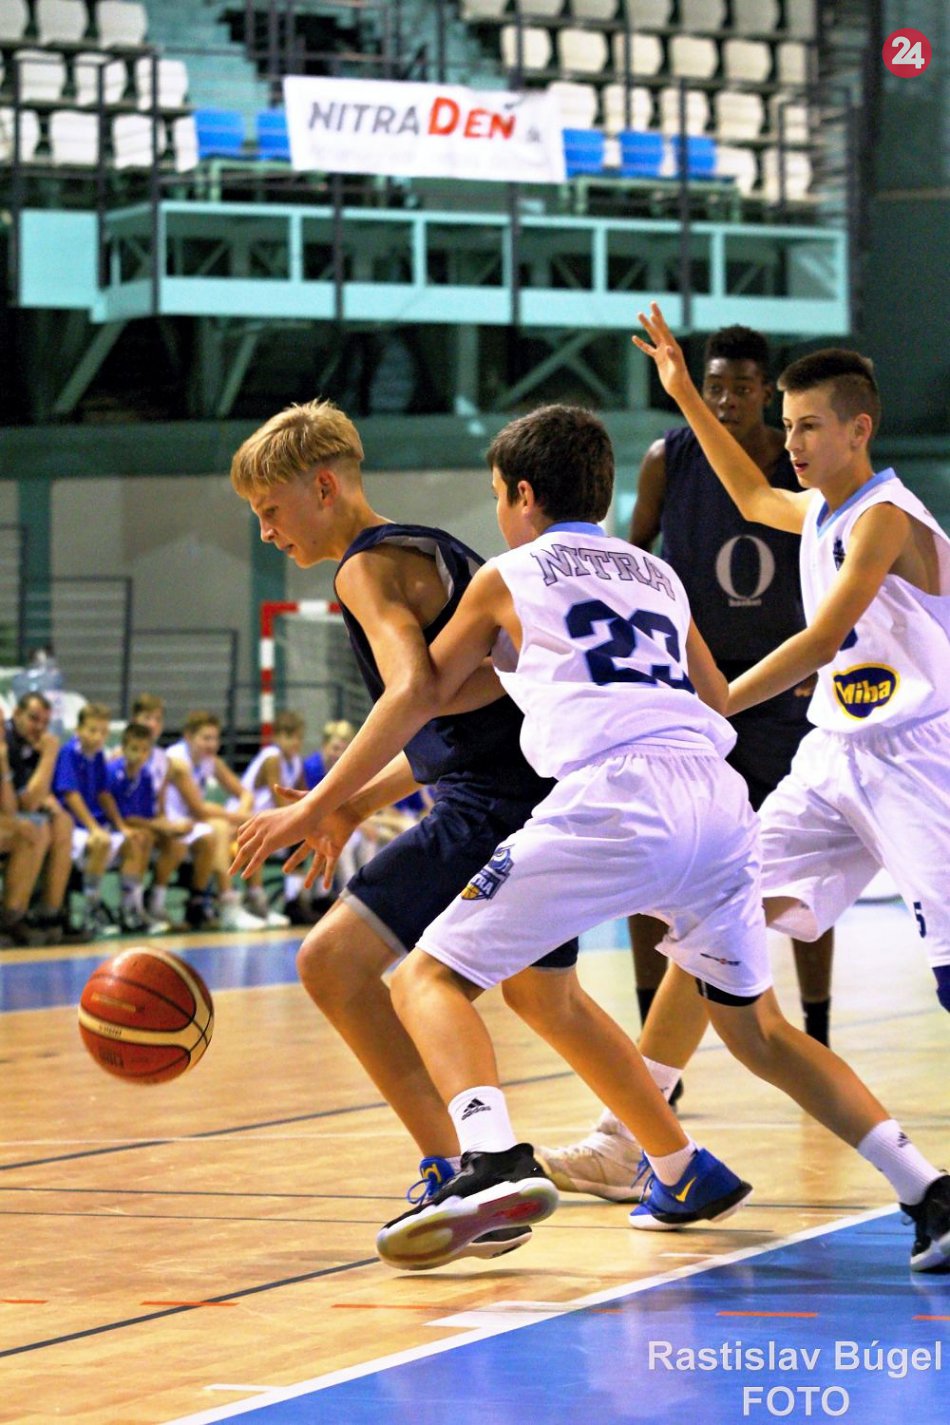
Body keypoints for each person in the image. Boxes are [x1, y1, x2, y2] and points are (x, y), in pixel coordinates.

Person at [232, 401, 950, 1274]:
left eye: (497, 495)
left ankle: (487, 1161)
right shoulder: (656, 573)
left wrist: (320, 802)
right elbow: (716, 698)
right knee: (754, 1030)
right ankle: (923, 1189)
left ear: (520, 495)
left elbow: (421, 692)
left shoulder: (504, 573)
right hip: (717, 799)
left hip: (609, 799)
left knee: (429, 977)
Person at [619, 301, 950, 1270]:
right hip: (831, 756)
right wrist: (685, 396)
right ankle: (630, 1128)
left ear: (859, 428)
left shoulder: (885, 516)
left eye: (809, 426)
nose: (792, 443)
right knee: (716, 918)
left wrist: (715, 699)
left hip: (919, 762)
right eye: (788, 426)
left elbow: (820, 638)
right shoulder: (813, 510)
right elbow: (747, 491)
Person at [540, 324, 836, 1204]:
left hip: (796, 701)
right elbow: (639, 558)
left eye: (744, 387)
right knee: (701, 891)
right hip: (711, 699)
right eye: (715, 387)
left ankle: (813, 1028)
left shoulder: (828, 489)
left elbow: (812, 590)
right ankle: (644, 1093)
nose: (730, 399)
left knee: (768, 889)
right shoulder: (675, 460)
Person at [52, 702, 153, 938]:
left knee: (135, 840)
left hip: (93, 824)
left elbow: (103, 795)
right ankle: (91, 910)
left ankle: (129, 908)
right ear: (78, 730)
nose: (98, 737)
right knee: (102, 841)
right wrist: (93, 827)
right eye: (92, 730)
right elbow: (70, 794)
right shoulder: (69, 752)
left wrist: (122, 827)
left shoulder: (97, 755)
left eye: (103, 732)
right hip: (71, 826)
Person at [163, 710, 264, 933]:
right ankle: (228, 903)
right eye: (206, 738)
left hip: (192, 825)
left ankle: (255, 900)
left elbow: (245, 794)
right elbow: (198, 809)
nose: (212, 744)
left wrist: (241, 815)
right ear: (188, 737)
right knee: (220, 828)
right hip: (169, 824)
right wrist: (242, 818)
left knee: (231, 829)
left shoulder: (209, 761)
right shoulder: (177, 760)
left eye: (215, 738)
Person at [107, 721, 192, 934]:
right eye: (134, 749)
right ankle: (128, 909)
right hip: (109, 826)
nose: (139, 755)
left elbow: (146, 816)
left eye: (144, 750)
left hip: (134, 826)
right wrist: (161, 827)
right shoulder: (113, 772)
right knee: (140, 838)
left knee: (170, 841)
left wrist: (169, 827)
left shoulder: (145, 775)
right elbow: (126, 817)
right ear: (123, 748)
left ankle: (150, 904)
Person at [3, 691, 74, 944]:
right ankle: (11, 917)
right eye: (33, 719)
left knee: (62, 822)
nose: (40, 728)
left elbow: (30, 797)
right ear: (15, 714)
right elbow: (27, 802)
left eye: (45, 722)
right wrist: (49, 756)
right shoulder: (9, 742)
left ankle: (48, 913)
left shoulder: (29, 743)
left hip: (9, 815)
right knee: (34, 830)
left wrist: (44, 800)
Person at [231, 709, 303, 927]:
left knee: (306, 836)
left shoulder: (295, 761)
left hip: (267, 820)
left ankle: (295, 900)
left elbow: (301, 796)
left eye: (298, 737)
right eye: (289, 736)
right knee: (285, 836)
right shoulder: (272, 757)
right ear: (277, 737)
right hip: (243, 817)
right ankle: (258, 901)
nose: (294, 742)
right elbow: (278, 796)